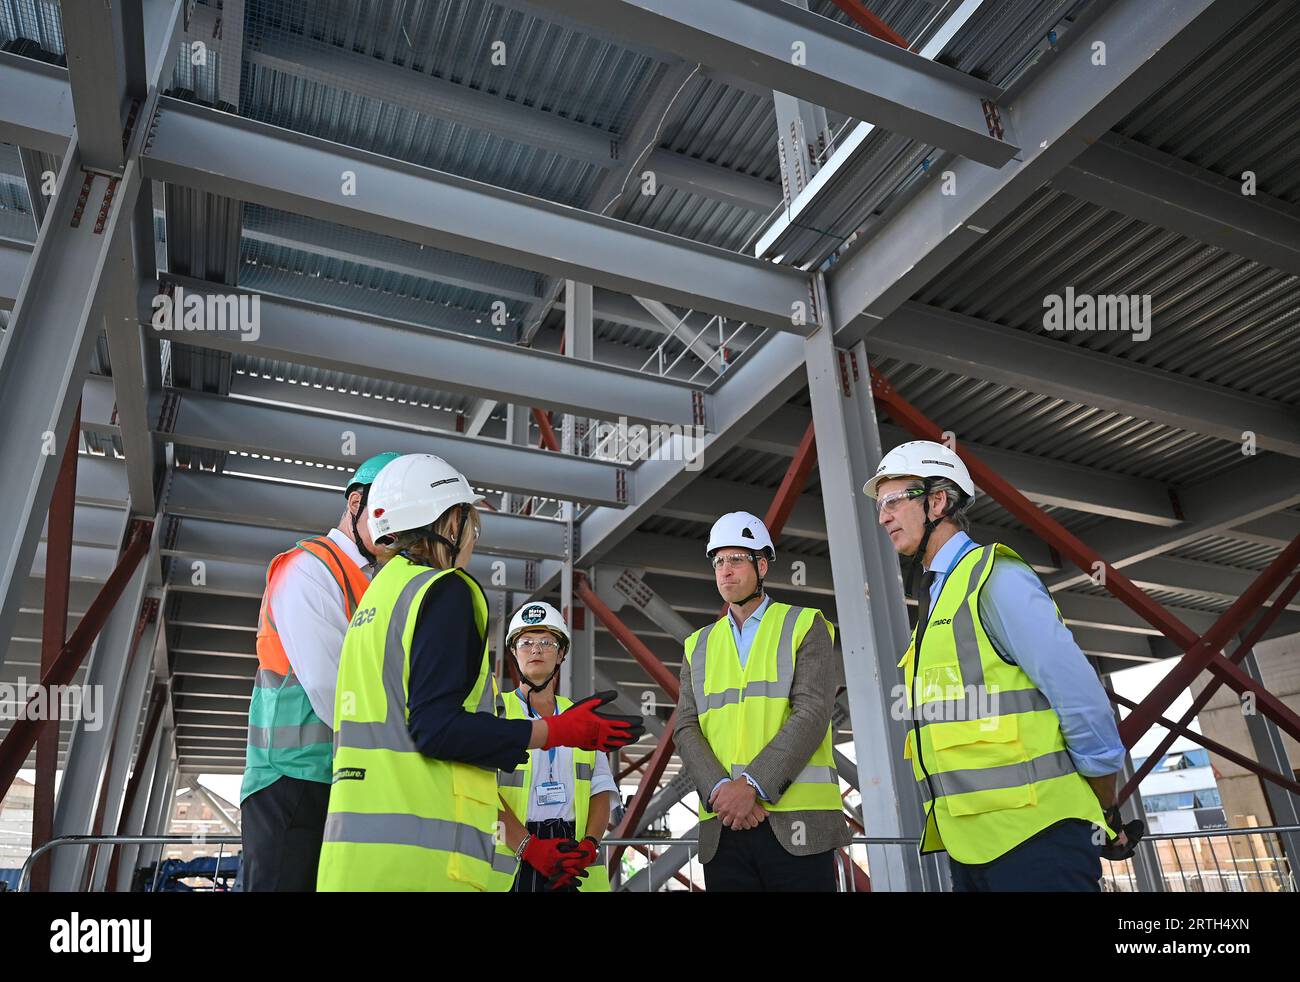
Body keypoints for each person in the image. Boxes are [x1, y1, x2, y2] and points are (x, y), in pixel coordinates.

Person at [316, 453, 644, 891]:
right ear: (449, 524)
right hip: (421, 866)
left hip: (359, 861)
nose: (471, 537)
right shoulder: (443, 590)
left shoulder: (377, 600)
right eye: (470, 523)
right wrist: (556, 732)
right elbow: (438, 729)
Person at [864, 440, 1133, 892]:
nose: (883, 516)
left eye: (894, 500)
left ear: (936, 501)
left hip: (1036, 840)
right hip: (971, 847)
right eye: (880, 504)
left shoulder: (995, 579)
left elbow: (1082, 699)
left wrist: (1104, 804)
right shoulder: (936, 599)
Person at [240, 451, 401, 892]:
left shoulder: (377, 583)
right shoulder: (309, 567)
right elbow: (333, 690)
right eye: (389, 515)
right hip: (291, 781)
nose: (399, 533)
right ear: (355, 503)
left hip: (340, 781)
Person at [673, 511, 850, 891]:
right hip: (724, 828)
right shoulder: (697, 645)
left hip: (798, 828)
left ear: (762, 564)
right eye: (719, 561)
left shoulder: (805, 624)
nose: (725, 570)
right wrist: (722, 790)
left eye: (737, 559)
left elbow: (813, 713)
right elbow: (686, 726)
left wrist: (751, 786)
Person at [491, 601, 616, 892]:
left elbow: (600, 790)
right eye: (526, 642)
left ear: (561, 653)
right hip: (513, 855)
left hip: (571, 857)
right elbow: (480, 792)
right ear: (514, 651)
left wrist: (589, 844)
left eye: (547, 642)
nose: (536, 649)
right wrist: (529, 847)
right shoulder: (494, 712)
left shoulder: (582, 716)